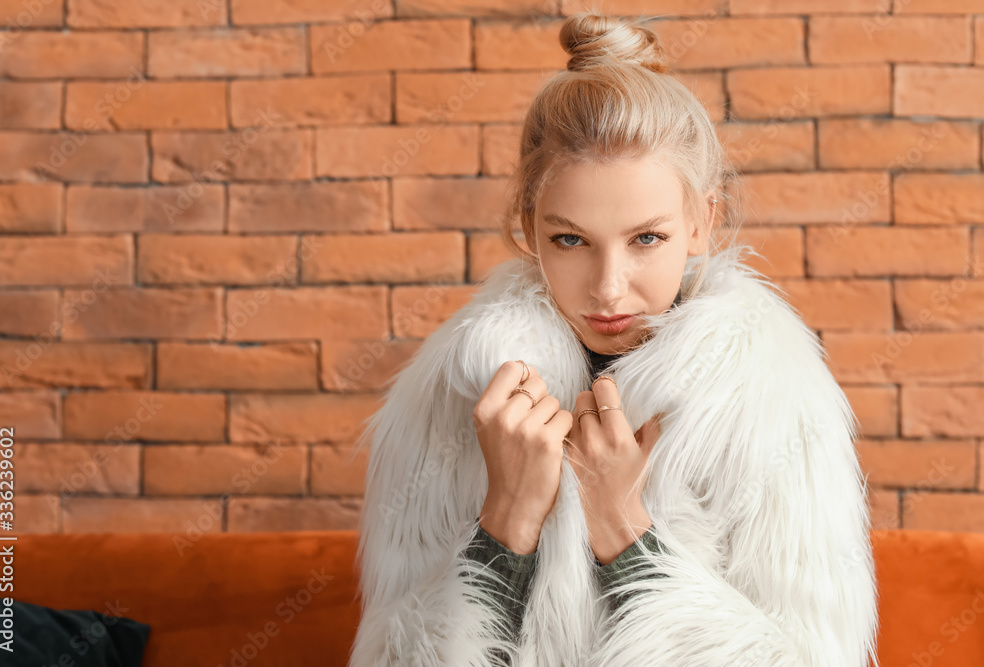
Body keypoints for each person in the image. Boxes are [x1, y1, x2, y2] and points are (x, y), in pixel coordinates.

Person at [348, 11, 880, 667]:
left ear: (701, 223)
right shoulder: (454, 397)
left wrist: (621, 526)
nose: (607, 288)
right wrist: (506, 521)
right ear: (528, 225)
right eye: (570, 239)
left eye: (646, 239)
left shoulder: (772, 400)